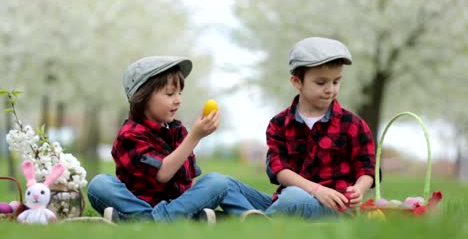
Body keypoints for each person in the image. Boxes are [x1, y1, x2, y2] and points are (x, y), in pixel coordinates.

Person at [87, 56, 272, 224]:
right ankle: (167, 219)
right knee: (99, 184)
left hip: (177, 203)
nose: (178, 100)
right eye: (169, 94)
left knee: (217, 182)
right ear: (141, 97)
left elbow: (188, 182)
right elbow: (161, 174)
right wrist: (195, 136)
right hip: (138, 202)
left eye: (179, 94)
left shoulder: (178, 130)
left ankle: (140, 221)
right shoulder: (130, 135)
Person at [263, 37, 376, 219]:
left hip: (334, 206)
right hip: (290, 198)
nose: (330, 89)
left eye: (336, 82)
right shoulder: (279, 123)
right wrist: (316, 190)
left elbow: (367, 168)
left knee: (293, 196)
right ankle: (258, 216)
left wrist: (359, 189)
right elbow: (278, 169)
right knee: (222, 184)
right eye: (321, 83)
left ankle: (257, 221)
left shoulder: (353, 124)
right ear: (297, 82)